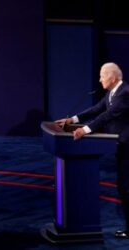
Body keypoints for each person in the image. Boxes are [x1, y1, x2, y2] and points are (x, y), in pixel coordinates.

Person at [56, 62, 129, 239]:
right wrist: (72, 120)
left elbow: (107, 116)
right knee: (123, 187)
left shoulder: (125, 93)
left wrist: (85, 130)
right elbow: (97, 109)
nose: (99, 79)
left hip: (128, 147)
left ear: (112, 78)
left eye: (102, 76)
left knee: (126, 187)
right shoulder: (113, 92)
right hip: (122, 146)